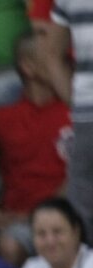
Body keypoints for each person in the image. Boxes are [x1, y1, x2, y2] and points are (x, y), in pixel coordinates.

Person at [0, 30, 71, 268]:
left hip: (63, 216)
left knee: (10, 245)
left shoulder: (76, 114)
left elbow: (80, 176)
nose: (64, 65)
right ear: (28, 67)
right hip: (13, 219)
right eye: (54, 58)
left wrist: (36, 215)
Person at [40, 2, 93, 240]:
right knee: (82, 206)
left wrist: (77, 102)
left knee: (83, 207)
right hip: (86, 114)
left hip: (86, 113)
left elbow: (52, 54)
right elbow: (51, 55)